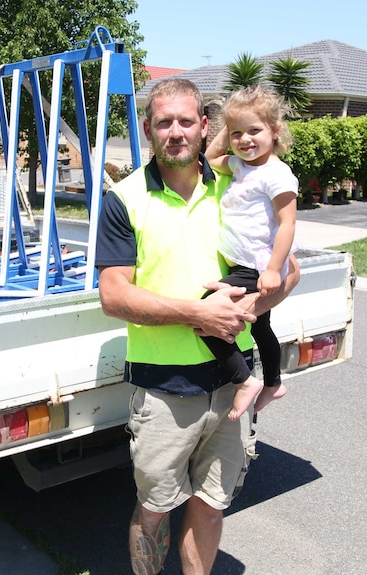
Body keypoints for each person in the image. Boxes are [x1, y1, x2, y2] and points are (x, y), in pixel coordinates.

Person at [95, 78, 299, 575]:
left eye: (186, 121)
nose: (176, 132)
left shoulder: (237, 187)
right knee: (155, 509)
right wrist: (198, 313)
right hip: (165, 389)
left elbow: (289, 272)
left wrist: (255, 298)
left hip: (232, 385)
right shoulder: (124, 199)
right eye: (164, 122)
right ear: (148, 130)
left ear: (205, 127)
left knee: (211, 504)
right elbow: (113, 295)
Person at [202, 84, 299, 421]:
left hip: (256, 265)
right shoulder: (242, 165)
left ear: (275, 130)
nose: (245, 139)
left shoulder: (276, 174)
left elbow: (287, 224)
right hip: (247, 262)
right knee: (261, 328)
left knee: (205, 316)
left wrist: (273, 270)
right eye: (238, 133)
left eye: (254, 131)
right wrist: (229, 127)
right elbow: (211, 158)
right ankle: (273, 383)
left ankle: (245, 381)